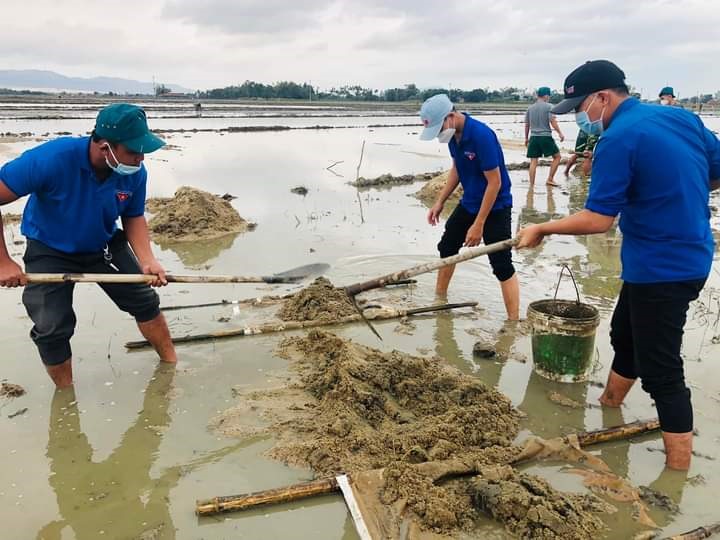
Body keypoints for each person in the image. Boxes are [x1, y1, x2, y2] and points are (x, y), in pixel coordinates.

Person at [517, 60, 720, 471]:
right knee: (623, 332)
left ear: (604, 97)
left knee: (662, 369)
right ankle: (610, 403)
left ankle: (675, 478)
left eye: (580, 107)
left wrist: (543, 227)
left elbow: (598, 219)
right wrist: (670, 195)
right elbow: (714, 172)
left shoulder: (619, 138)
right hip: (682, 256)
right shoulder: (679, 118)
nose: (580, 117)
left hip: (664, 268)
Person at [0, 103, 178, 388]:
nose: (140, 158)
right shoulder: (50, 159)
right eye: (133, 151)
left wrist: (148, 259)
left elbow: (133, 217)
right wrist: (3, 262)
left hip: (103, 245)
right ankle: (66, 396)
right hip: (50, 248)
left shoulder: (133, 172)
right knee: (51, 328)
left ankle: (171, 367)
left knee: (144, 301)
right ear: (106, 147)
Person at [420, 93, 519, 320]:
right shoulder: (454, 136)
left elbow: (495, 183)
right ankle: (440, 298)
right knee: (447, 248)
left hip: (496, 206)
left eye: (437, 129)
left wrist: (479, 224)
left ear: (451, 116)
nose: (437, 135)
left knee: (501, 263)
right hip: (470, 203)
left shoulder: (481, 136)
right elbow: (457, 168)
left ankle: (513, 321)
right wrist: (439, 201)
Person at [525, 86, 565, 186]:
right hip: (545, 136)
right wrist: (560, 133)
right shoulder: (549, 106)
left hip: (533, 137)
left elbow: (527, 125)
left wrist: (526, 138)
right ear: (546, 96)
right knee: (557, 157)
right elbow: (553, 121)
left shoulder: (530, 108)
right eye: (549, 96)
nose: (549, 98)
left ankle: (532, 185)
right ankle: (550, 179)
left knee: (533, 161)